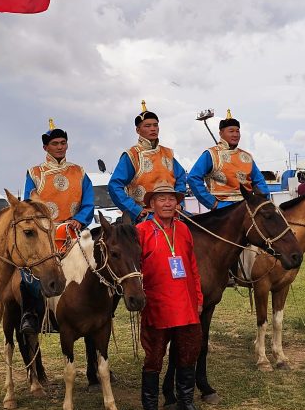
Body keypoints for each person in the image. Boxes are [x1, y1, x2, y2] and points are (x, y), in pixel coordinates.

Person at [136, 182, 207, 410]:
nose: (167, 203)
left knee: (188, 353)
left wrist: (198, 297)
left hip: (186, 304)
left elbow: (192, 266)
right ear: (152, 204)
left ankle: (186, 404)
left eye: (171, 198)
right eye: (161, 199)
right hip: (157, 304)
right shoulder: (141, 231)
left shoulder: (184, 229)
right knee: (154, 358)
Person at [19, 119, 95, 334]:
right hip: (45, 233)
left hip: (74, 230)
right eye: (55, 143)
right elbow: (30, 205)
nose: (60, 146)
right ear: (45, 147)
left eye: (63, 142)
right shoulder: (34, 173)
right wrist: (43, 225)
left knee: (96, 264)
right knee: (29, 269)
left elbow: (88, 202)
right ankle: (31, 313)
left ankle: (96, 310)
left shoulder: (79, 172)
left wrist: (80, 219)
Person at [109, 101, 187, 223]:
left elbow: (181, 178)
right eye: (147, 126)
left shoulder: (167, 153)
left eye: (155, 125)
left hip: (172, 212)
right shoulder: (132, 155)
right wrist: (135, 210)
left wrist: (178, 203)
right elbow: (115, 186)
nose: (153, 129)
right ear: (137, 130)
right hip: (146, 214)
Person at [187, 109, 269, 209]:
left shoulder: (247, 156)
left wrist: (262, 201)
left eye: (237, 131)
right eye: (231, 131)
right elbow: (193, 178)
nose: (235, 134)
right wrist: (212, 203)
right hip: (223, 209)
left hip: (247, 206)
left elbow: (259, 181)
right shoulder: (211, 154)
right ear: (221, 133)